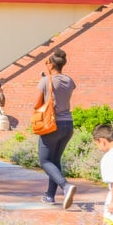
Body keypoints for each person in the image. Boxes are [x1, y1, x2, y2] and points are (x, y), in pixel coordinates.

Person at [35, 48, 78, 209]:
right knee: (55, 161)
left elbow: (37, 104)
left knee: (45, 160)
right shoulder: (69, 80)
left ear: (51, 64)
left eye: (47, 62)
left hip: (52, 124)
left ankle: (66, 186)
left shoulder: (46, 81)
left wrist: (45, 85)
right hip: (68, 124)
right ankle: (49, 196)